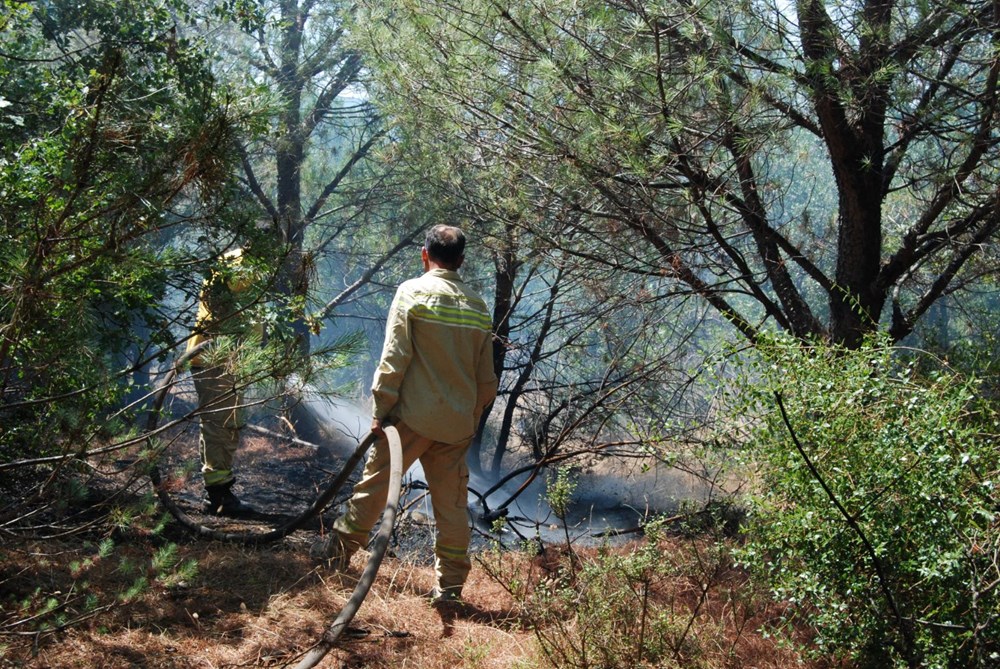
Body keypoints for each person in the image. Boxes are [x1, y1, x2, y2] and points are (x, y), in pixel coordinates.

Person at [311, 225, 498, 604]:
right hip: (455, 425)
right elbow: (485, 379)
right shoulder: (478, 306)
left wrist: (380, 409)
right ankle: (450, 589)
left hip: (410, 420)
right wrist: (470, 418)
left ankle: (336, 556)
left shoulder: (412, 292)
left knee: (375, 488)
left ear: (424, 254)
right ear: (461, 261)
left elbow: (394, 358)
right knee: (452, 508)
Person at [187, 247, 260, 517]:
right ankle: (219, 497)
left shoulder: (237, 259)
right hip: (216, 358)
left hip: (224, 357)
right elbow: (236, 301)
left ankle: (217, 492)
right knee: (221, 425)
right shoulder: (240, 262)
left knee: (221, 424)